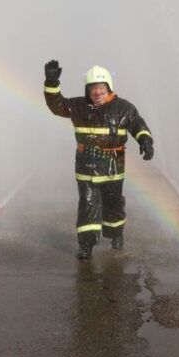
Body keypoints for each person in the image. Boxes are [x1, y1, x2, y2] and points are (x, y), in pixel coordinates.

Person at [44, 60, 154, 260]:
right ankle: (86, 246)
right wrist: (52, 82)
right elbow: (56, 105)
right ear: (88, 90)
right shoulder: (78, 106)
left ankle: (116, 236)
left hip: (113, 166)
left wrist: (145, 141)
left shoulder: (124, 108)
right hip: (87, 165)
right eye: (93, 89)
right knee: (87, 205)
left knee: (113, 204)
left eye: (101, 88)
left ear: (109, 88)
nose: (97, 93)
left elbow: (137, 125)